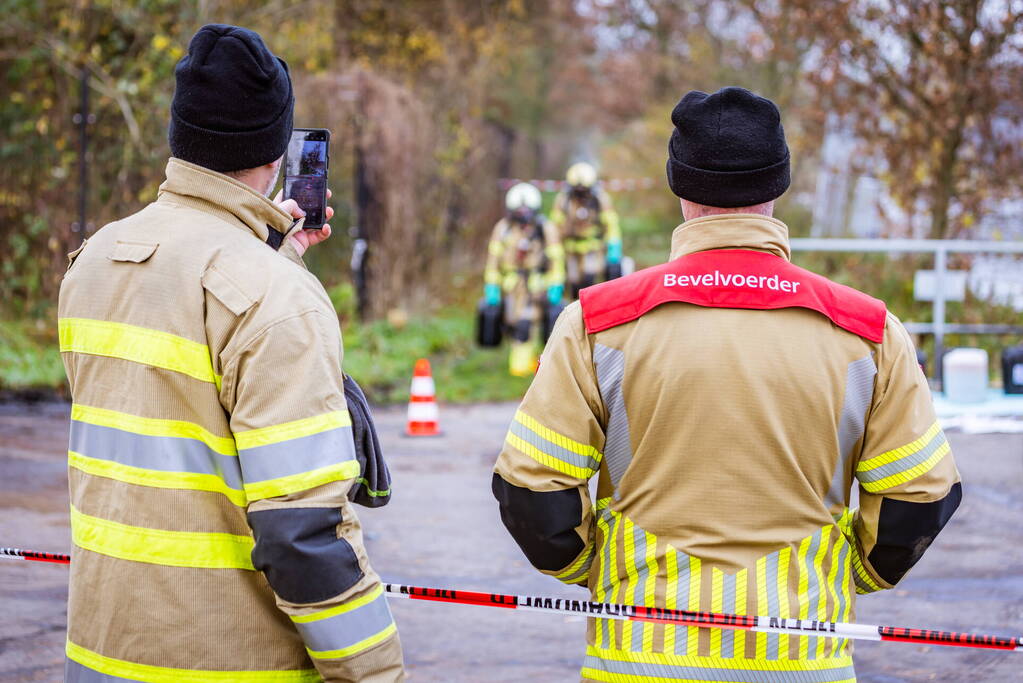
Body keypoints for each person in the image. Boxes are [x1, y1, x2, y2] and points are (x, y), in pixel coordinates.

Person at [492, 87, 961, 682]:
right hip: (802, 662)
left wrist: (600, 568)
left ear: (680, 186)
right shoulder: (868, 331)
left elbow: (531, 490)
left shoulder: (597, 323)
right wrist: (849, 573)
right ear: (777, 185)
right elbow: (920, 494)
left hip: (637, 660)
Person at [58, 24, 404, 682]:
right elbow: (302, 534)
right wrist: (378, 671)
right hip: (227, 665)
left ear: (179, 136)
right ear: (277, 152)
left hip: (99, 658)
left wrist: (276, 259)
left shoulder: (95, 261)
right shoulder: (274, 298)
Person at [483, 182, 566, 376]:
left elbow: (556, 259)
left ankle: (522, 369)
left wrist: (556, 284)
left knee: (527, 323)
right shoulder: (503, 229)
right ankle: (529, 362)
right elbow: (493, 260)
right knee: (513, 322)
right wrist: (492, 286)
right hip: (512, 285)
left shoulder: (546, 229)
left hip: (538, 286)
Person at [550, 162, 623, 298]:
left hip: (593, 249)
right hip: (570, 250)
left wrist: (614, 245)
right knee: (574, 283)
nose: (581, 194)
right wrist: (555, 249)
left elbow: (611, 224)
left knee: (589, 279)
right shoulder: (563, 200)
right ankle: (575, 310)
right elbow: (555, 226)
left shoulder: (599, 199)